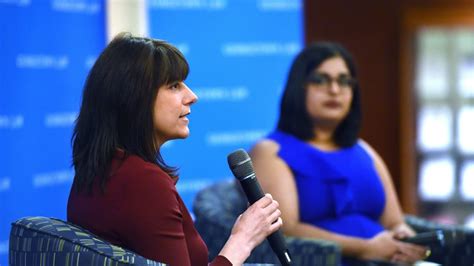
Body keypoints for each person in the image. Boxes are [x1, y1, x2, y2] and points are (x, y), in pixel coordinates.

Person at [67, 33, 283, 266]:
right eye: (174, 86)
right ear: (134, 98)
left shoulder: (103, 169)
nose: (192, 97)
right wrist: (242, 240)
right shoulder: (143, 182)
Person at [249, 42, 428, 265]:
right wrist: (365, 248)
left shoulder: (363, 149)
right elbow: (287, 230)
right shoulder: (270, 151)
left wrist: (406, 239)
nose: (334, 90)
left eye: (344, 81)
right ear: (298, 87)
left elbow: (394, 221)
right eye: (320, 80)